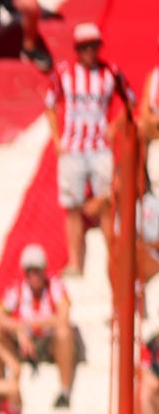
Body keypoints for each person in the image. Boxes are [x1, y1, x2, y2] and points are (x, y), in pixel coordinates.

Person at [46, 24, 130, 279]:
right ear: (77, 49)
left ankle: (113, 258)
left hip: (100, 147)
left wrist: (115, 125)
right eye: (85, 47)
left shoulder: (110, 72)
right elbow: (50, 103)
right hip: (72, 148)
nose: (90, 51)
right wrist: (57, 138)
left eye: (93, 46)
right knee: (72, 205)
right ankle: (75, 262)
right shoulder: (64, 73)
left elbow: (130, 101)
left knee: (106, 203)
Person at [0, 244, 74, 410]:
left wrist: (26, 324)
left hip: (47, 343)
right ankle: (7, 377)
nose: (33, 275)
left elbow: (63, 317)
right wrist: (19, 330)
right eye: (29, 271)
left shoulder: (55, 286)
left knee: (64, 332)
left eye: (37, 270)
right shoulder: (17, 289)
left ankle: (64, 390)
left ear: (43, 270)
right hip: (22, 345)